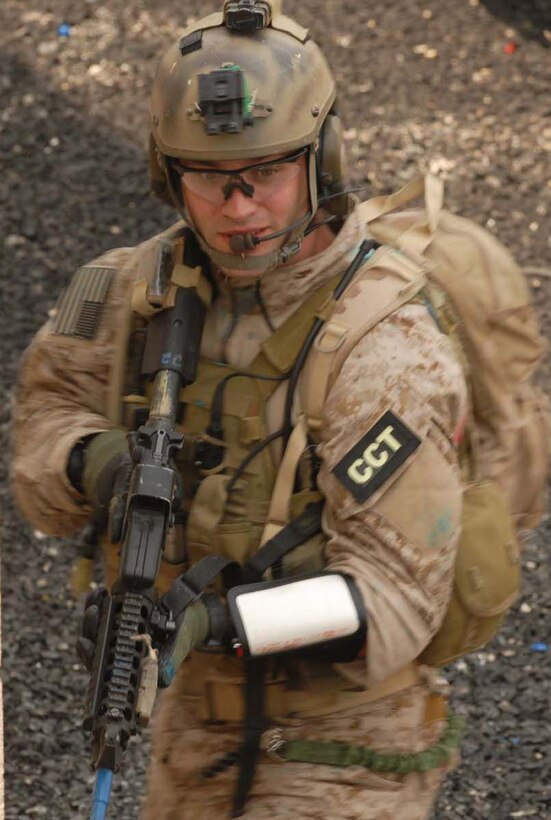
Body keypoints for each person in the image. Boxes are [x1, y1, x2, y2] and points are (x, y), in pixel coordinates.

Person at [10, 2, 549, 819]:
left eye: (263, 172)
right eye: (207, 176)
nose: (237, 207)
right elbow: (39, 446)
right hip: (193, 742)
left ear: (322, 158)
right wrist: (94, 460)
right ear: (167, 171)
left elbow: (392, 604)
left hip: (347, 755)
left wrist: (219, 623)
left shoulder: (385, 345)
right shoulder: (126, 290)